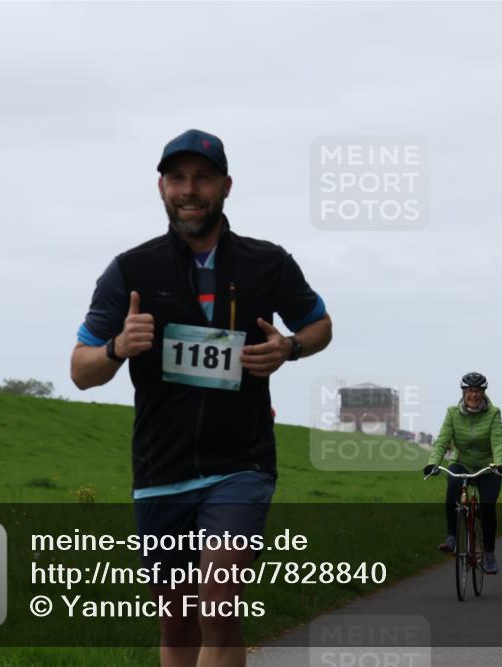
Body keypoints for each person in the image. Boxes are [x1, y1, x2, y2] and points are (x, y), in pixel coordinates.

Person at [70, 129, 333, 667]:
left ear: (226, 186)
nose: (189, 190)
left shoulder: (268, 263)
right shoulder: (130, 270)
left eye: (202, 178)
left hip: (241, 463)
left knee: (217, 602)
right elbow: (81, 370)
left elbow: (320, 325)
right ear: (162, 187)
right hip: (160, 467)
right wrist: (119, 347)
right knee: (178, 623)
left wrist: (290, 347)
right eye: (177, 179)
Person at [423, 372, 502, 575]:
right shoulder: (452, 413)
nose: (474, 395)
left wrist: (500, 464)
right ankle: (452, 537)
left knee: (488, 506)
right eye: (470, 390)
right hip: (461, 463)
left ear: (484, 392)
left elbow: (498, 441)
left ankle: (488, 554)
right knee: (452, 487)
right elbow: (443, 440)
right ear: (463, 392)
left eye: (478, 391)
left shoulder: (493, 413)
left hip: (488, 467)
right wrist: (433, 463)